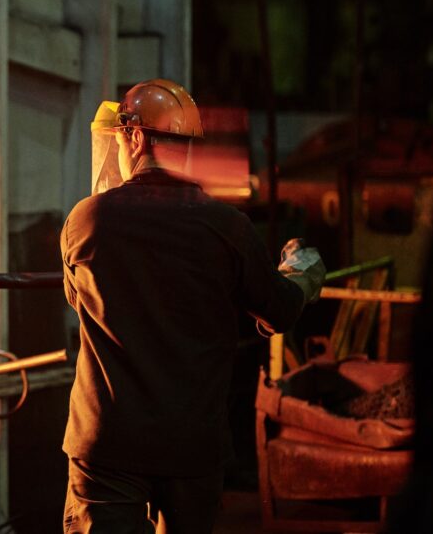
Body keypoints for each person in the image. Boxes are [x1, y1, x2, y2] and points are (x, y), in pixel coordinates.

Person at [60, 79, 325, 533]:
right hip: (191, 442)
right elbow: (278, 310)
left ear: (136, 137)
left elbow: (76, 296)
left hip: (109, 442)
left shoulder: (87, 219)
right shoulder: (228, 227)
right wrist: (302, 273)